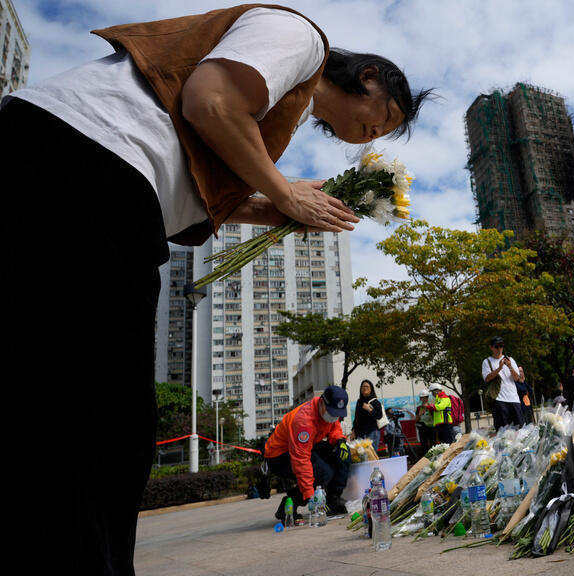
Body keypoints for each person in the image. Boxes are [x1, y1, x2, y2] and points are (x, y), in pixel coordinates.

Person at [2, 5, 430, 572]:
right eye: (386, 116)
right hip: (88, 161)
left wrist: (273, 206)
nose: (379, 133)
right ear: (368, 75)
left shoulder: (285, 109)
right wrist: (285, 193)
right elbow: (210, 101)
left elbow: (201, 182)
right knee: (106, 421)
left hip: (84, 174)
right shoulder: (303, 38)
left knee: (60, 407)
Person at [263, 386, 351, 522]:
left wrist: (339, 440)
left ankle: (333, 499)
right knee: (323, 473)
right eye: (331, 413)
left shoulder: (329, 411)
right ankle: (290, 504)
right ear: (321, 402)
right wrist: (311, 496)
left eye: (336, 414)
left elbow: (334, 426)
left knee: (342, 453)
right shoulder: (304, 421)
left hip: (306, 446)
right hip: (279, 455)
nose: (333, 417)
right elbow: (301, 460)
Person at [482, 336, 526, 429]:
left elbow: (517, 378)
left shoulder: (510, 360)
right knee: (503, 431)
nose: (499, 349)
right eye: (496, 346)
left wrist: (510, 366)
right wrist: (499, 368)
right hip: (499, 400)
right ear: (491, 347)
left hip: (514, 399)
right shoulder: (487, 362)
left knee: (520, 430)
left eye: (501, 346)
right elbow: (487, 378)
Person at [352, 379, 385, 451]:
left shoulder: (375, 401)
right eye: (363, 386)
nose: (365, 388)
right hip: (360, 433)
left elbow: (379, 416)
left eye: (367, 386)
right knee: (361, 455)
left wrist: (369, 409)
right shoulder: (359, 401)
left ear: (371, 389)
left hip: (372, 432)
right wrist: (353, 431)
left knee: (371, 454)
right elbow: (356, 417)